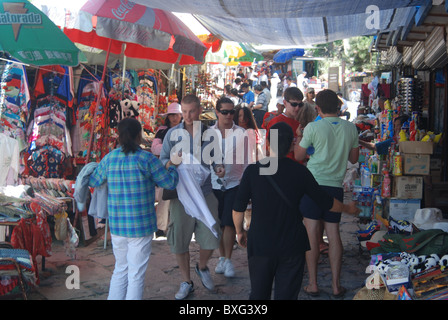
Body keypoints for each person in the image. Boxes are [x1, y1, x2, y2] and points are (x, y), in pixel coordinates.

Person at [232, 122, 361, 300]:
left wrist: (239, 231)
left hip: (261, 243)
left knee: (259, 294)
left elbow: (238, 208)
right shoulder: (301, 172)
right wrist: (348, 208)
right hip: (292, 244)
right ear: (293, 145)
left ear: (267, 143)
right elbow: (326, 202)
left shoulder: (253, 171)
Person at [89, 117, 179, 300]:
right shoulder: (146, 159)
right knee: (136, 274)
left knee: (120, 269)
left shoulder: (110, 158)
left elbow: (94, 180)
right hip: (140, 225)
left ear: (119, 136)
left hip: (117, 225)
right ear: (139, 135)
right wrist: (172, 167)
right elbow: (169, 183)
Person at [295, 89, 359, 299]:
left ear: (318, 108)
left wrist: (300, 138)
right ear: (339, 107)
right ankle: (335, 285)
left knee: (312, 235)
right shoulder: (350, 128)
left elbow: (299, 155)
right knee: (334, 234)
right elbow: (354, 159)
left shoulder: (313, 127)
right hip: (335, 186)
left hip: (312, 185)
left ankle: (313, 284)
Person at [160, 94, 221, 300]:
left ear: (199, 110)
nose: (187, 116)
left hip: (205, 192)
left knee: (212, 237)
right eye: (183, 112)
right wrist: (172, 163)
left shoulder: (209, 135)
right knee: (179, 239)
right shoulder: (171, 134)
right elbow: (163, 161)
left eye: (191, 111)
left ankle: (202, 266)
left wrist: (220, 168)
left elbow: (217, 160)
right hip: (180, 193)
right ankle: (186, 281)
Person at [210, 97, 249, 278]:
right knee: (217, 224)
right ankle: (222, 258)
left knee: (230, 223)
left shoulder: (241, 133)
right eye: (224, 111)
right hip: (213, 184)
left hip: (235, 183)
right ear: (217, 112)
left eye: (231, 111)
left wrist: (249, 185)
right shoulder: (208, 134)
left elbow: (248, 161)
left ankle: (227, 259)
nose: (229, 115)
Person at [151, 102, 183, 236]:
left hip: (184, 167)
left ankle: (180, 226)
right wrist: (171, 150)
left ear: (181, 115)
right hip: (166, 167)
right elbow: (154, 147)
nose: (173, 118)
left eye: (176, 115)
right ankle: (161, 226)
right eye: (171, 115)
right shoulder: (162, 130)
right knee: (165, 197)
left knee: (183, 197)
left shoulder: (187, 129)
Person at [266, 86, 304, 162]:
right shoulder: (276, 122)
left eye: (300, 105)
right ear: (285, 103)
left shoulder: (298, 124)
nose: (297, 108)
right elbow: (269, 150)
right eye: (294, 104)